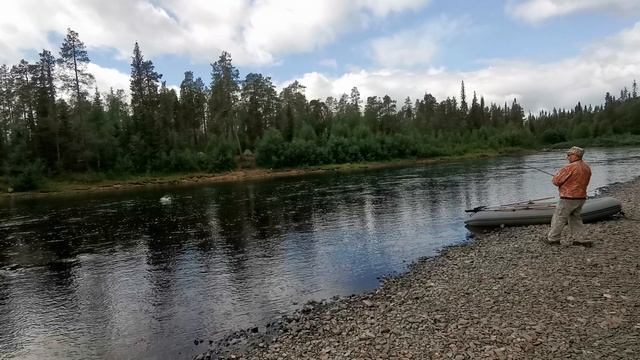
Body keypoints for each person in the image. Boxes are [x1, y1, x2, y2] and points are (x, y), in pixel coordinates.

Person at [547, 146, 592, 246]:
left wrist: (555, 177)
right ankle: (582, 239)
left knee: (559, 218)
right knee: (575, 218)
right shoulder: (586, 167)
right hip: (581, 197)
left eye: (569, 155)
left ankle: (553, 239)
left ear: (575, 155)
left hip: (568, 197)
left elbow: (556, 181)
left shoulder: (569, 167)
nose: (567, 157)